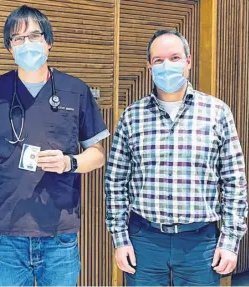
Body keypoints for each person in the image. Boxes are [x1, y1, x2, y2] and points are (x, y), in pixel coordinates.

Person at [0, 5, 110, 286]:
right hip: (5, 235)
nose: (26, 44)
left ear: (49, 42)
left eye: (34, 36)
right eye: (17, 38)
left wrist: (70, 162)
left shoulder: (75, 90)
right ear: (9, 48)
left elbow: (98, 154)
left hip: (59, 235)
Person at [105, 30, 248, 286]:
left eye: (174, 57)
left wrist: (230, 240)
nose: (166, 65)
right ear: (149, 66)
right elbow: (115, 182)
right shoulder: (131, 116)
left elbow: (234, 181)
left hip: (200, 242)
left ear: (188, 61)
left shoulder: (217, 113)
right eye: (158, 60)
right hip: (144, 240)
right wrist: (120, 238)